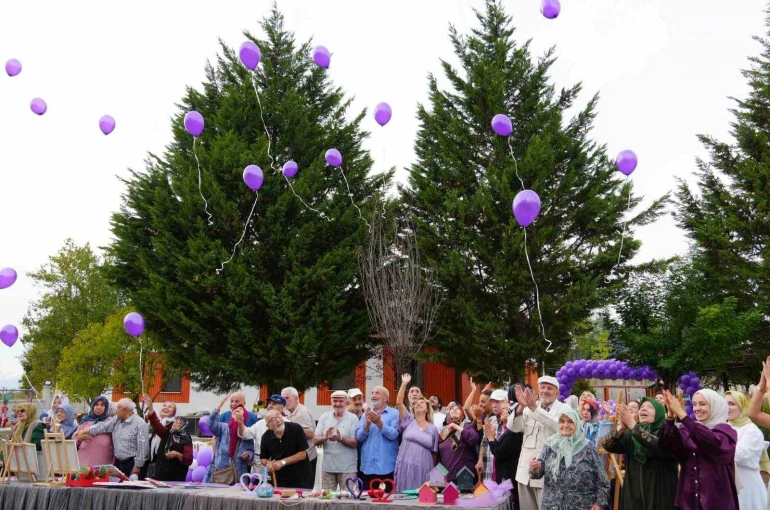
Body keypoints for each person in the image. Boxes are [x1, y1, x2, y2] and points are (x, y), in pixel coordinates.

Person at [659, 389, 739, 510]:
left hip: (716, 501)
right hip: (688, 501)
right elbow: (667, 444)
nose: (697, 408)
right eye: (694, 404)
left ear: (715, 406)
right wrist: (670, 415)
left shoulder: (726, 432)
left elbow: (711, 443)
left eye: (702, 404)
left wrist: (683, 415)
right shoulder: (688, 430)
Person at [602, 398, 678, 510]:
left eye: (650, 407)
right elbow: (607, 445)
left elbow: (657, 445)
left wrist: (633, 426)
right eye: (642, 407)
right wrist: (620, 429)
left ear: (659, 413)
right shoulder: (631, 433)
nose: (644, 409)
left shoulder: (669, 432)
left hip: (660, 497)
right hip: (633, 497)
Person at [529, 408, 609, 510]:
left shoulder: (587, 447)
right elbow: (537, 473)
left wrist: (599, 504)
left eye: (570, 421)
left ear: (577, 423)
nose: (565, 425)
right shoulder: (550, 444)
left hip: (581, 506)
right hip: (552, 505)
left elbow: (603, 480)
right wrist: (534, 468)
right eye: (562, 421)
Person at [510, 376, 570, 510]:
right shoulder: (528, 408)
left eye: (550, 388)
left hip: (548, 475)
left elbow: (558, 427)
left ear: (557, 393)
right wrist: (520, 407)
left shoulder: (564, 409)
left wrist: (534, 409)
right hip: (524, 472)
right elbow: (514, 427)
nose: (545, 391)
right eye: (542, 387)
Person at [75, 398, 148, 478]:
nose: (116, 411)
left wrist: (137, 466)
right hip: (118, 463)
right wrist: (86, 430)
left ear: (125, 410)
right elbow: (103, 426)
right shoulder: (117, 419)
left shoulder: (140, 423)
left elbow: (143, 447)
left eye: (118, 409)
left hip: (132, 464)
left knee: (131, 489)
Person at [394, 374, 439, 493]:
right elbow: (399, 403)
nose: (418, 404)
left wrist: (433, 475)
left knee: (423, 496)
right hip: (405, 464)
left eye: (422, 403)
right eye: (416, 404)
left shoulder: (433, 428)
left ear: (427, 409)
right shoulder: (408, 420)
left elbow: (435, 454)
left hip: (425, 466)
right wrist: (404, 383)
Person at [725, 391, 768, 510]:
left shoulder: (751, 431)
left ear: (743, 406)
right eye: (724, 404)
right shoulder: (724, 426)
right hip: (727, 483)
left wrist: (715, 447)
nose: (727, 407)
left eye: (732, 404)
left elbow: (739, 455)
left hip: (747, 485)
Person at [356, 385, 399, 492]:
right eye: (372, 393)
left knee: (385, 502)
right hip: (368, 466)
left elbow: (394, 435)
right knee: (367, 502)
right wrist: (367, 424)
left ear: (386, 398)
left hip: (386, 466)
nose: (373, 396)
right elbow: (359, 437)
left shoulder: (394, 413)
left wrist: (379, 423)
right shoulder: (366, 414)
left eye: (377, 393)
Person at [313, 390, 359, 490]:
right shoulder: (324, 417)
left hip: (348, 468)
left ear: (347, 403)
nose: (337, 404)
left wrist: (340, 438)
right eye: (335, 401)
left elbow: (355, 443)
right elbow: (315, 440)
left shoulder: (353, 418)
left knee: (349, 500)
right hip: (328, 467)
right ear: (331, 402)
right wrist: (325, 437)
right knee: (327, 501)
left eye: (340, 401)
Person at [204, 393, 254, 483]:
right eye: (232, 401)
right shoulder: (223, 427)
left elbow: (252, 449)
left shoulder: (248, 431)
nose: (234, 405)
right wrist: (219, 406)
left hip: (239, 474)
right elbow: (209, 423)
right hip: (222, 472)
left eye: (239, 410)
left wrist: (249, 454)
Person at [142, 395, 192, 481]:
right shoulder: (167, 433)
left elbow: (188, 460)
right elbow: (157, 426)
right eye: (164, 405)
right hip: (159, 473)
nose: (175, 423)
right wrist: (150, 408)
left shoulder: (185, 438)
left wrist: (177, 454)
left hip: (175, 476)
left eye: (178, 422)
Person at [261, 410, 313, 488]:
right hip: (279, 479)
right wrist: (269, 463)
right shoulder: (266, 437)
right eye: (272, 419)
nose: (278, 420)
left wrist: (282, 462)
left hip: (300, 477)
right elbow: (263, 458)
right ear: (268, 426)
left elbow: (302, 454)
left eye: (278, 416)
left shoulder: (296, 429)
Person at [438, 402, 479, 483]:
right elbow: (439, 455)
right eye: (452, 408)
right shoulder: (443, 431)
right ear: (448, 414)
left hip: (465, 476)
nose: (454, 409)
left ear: (463, 414)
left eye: (458, 408)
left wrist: (456, 426)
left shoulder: (467, 427)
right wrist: (440, 476)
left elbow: (474, 439)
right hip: (447, 478)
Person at [75, 396, 114, 466]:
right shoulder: (85, 421)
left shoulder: (110, 421)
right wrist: (79, 439)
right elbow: (73, 440)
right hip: (83, 461)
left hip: (104, 463)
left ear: (106, 408)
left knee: (101, 477)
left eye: (102, 405)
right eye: (96, 404)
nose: (98, 407)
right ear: (93, 406)